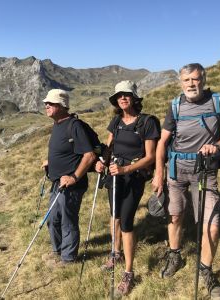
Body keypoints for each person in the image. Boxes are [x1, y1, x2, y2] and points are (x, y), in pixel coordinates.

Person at [152, 63, 220, 300]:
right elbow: (162, 143)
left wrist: (216, 146)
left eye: (195, 79)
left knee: (212, 224)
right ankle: (175, 254)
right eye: (186, 80)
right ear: (181, 82)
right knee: (175, 215)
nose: (191, 84)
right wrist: (159, 173)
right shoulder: (176, 105)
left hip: (205, 172)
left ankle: (206, 271)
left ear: (203, 79)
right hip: (176, 171)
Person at [95, 80, 160, 296]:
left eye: (126, 95)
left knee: (127, 222)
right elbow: (109, 147)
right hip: (115, 175)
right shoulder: (116, 121)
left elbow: (150, 156)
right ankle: (116, 253)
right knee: (114, 216)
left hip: (133, 176)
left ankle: (129, 272)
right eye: (119, 96)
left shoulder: (148, 122)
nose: (122, 98)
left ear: (134, 98)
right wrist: (101, 161)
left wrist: (126, 170)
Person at [41, 89, 96, 266]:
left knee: (67, 220)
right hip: (57, 182)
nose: (46, 105)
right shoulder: (58, 124)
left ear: (62, 106)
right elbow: (65, 151)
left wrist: (74, 177)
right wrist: (50, 162)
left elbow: (89, 155)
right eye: (46, 103)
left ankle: (69, 258)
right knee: (52, 219)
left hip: (71, 185)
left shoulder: (75, 126)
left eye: (51, 103)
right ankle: (58, 251)